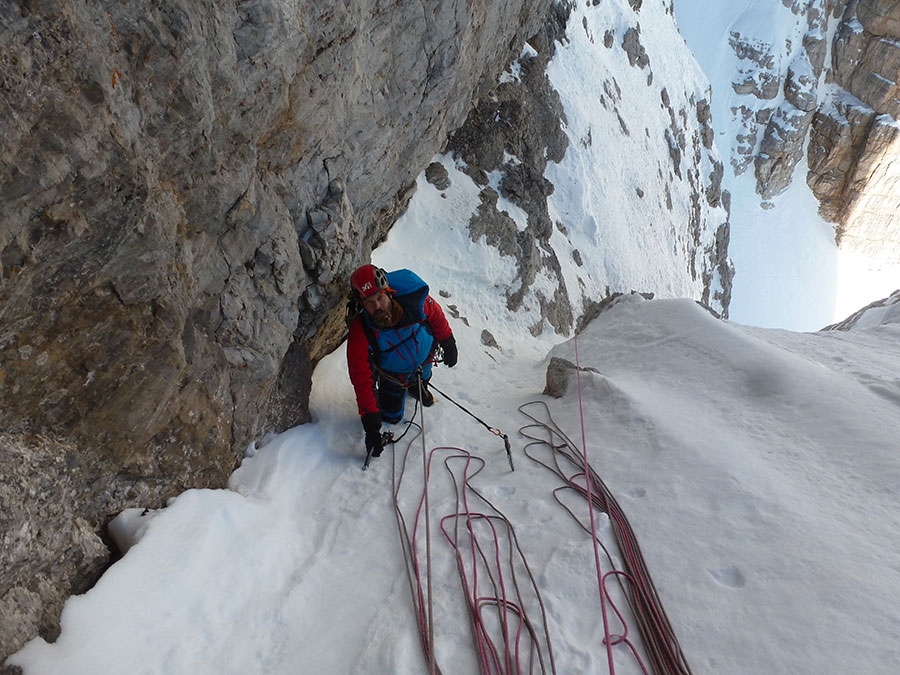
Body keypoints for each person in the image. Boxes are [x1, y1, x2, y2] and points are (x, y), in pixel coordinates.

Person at [346, 264, 458, 459]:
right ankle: (405, 389)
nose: (377, 307)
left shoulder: (413, 301)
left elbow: (435, 314)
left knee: (423, 375)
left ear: (389, 293)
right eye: (370, 303)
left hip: (424, 358)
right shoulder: (361, 332)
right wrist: (371, 428)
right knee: (391, 417)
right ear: (362, 305)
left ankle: (418, 385)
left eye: (380, 298)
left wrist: (448, 342)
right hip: (393, 374)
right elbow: (361, 378)